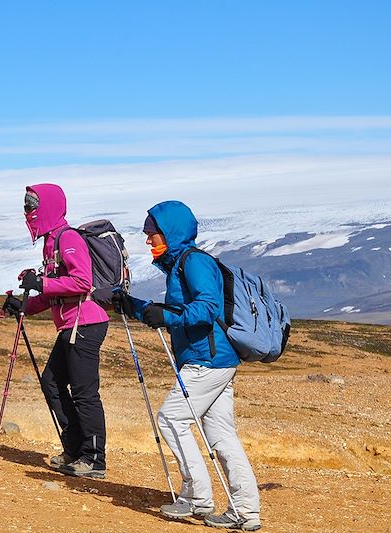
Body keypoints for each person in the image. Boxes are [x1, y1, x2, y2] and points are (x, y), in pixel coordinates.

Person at [114, 200, 261, 531]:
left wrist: (163, 315)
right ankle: (245, 513)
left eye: (152, 234)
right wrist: (135, 307)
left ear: (170, 233)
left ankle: (197, 498)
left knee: (171, 419)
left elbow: (207, 309)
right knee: (222, 435)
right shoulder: (181, 263)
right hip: (214, 359)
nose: (148, 239)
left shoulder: (193, 263)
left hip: (206, 360)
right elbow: (177, 310)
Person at [3, 183, 110, 479]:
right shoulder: (51, 242)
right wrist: (24, 305)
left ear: (47, 206)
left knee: (85, 393)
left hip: (86, 323)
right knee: (51, 382)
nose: (28, 212)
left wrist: (42, 284)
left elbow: (82, 282)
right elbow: (55, 294)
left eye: (32, 205)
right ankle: (75, 449)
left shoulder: (68, 237)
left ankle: (94, 459)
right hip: (71, 324)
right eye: (26, 206)